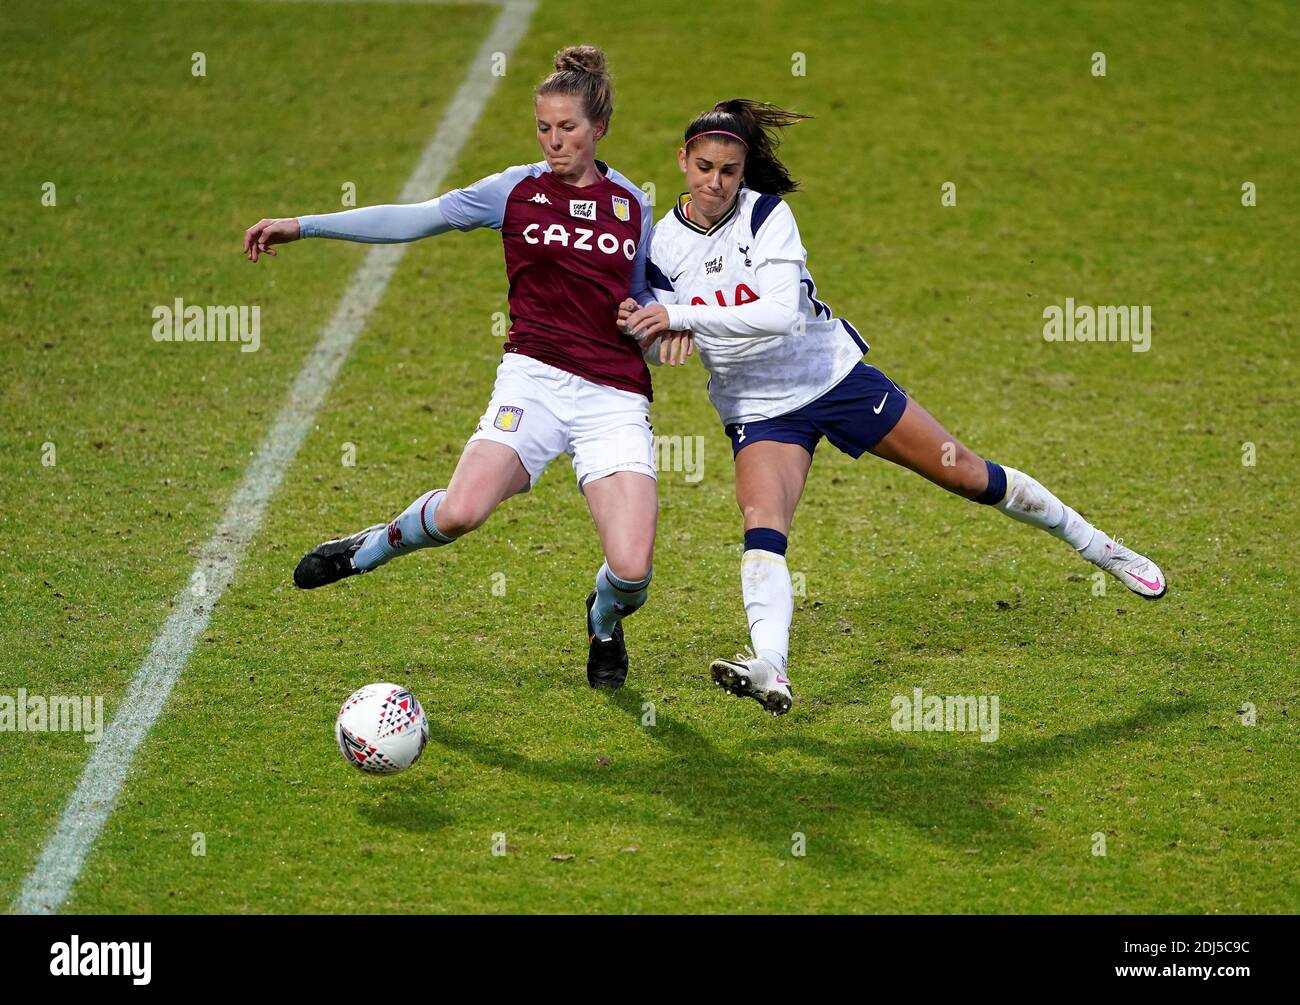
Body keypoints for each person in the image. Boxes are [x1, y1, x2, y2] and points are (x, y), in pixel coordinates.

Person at [622, 99, 1167, 716]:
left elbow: (775, 316)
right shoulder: (661, 244)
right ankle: (771, 666)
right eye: (703, 167)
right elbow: (661, 323)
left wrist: (683, 315)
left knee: (967, 473)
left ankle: (1099, 547)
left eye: (728, 169)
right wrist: (647, 326)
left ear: (745, 169)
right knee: (762, 527)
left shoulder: (768, 216)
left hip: (832, 378)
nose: (715, 182)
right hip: (758, 407)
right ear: (681, 161)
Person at [244, 46, 671, 689]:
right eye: (544, 127)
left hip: (611, 395)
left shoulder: (631, 205)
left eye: (569, 128)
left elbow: (644, 296)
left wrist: (655, 322)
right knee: (460, 513)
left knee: (632, 569)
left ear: (599, 127)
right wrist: (303, 226)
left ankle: (604, 622)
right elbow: (415, 218)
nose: (555, 142)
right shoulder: (514, 191)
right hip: (533, 377)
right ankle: (367, 548)